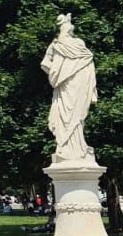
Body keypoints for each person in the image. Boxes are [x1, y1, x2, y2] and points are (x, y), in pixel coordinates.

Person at [41, 13, 98, 163]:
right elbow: (45, 63)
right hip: (66, 85)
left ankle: (77, 148)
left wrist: (58, 71)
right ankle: (66, 148)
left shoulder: (74, 43)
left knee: (77, 115)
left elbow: (46, 64)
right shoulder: (57, 45)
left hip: (76, 84)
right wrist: (60, 72)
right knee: (67, 115)